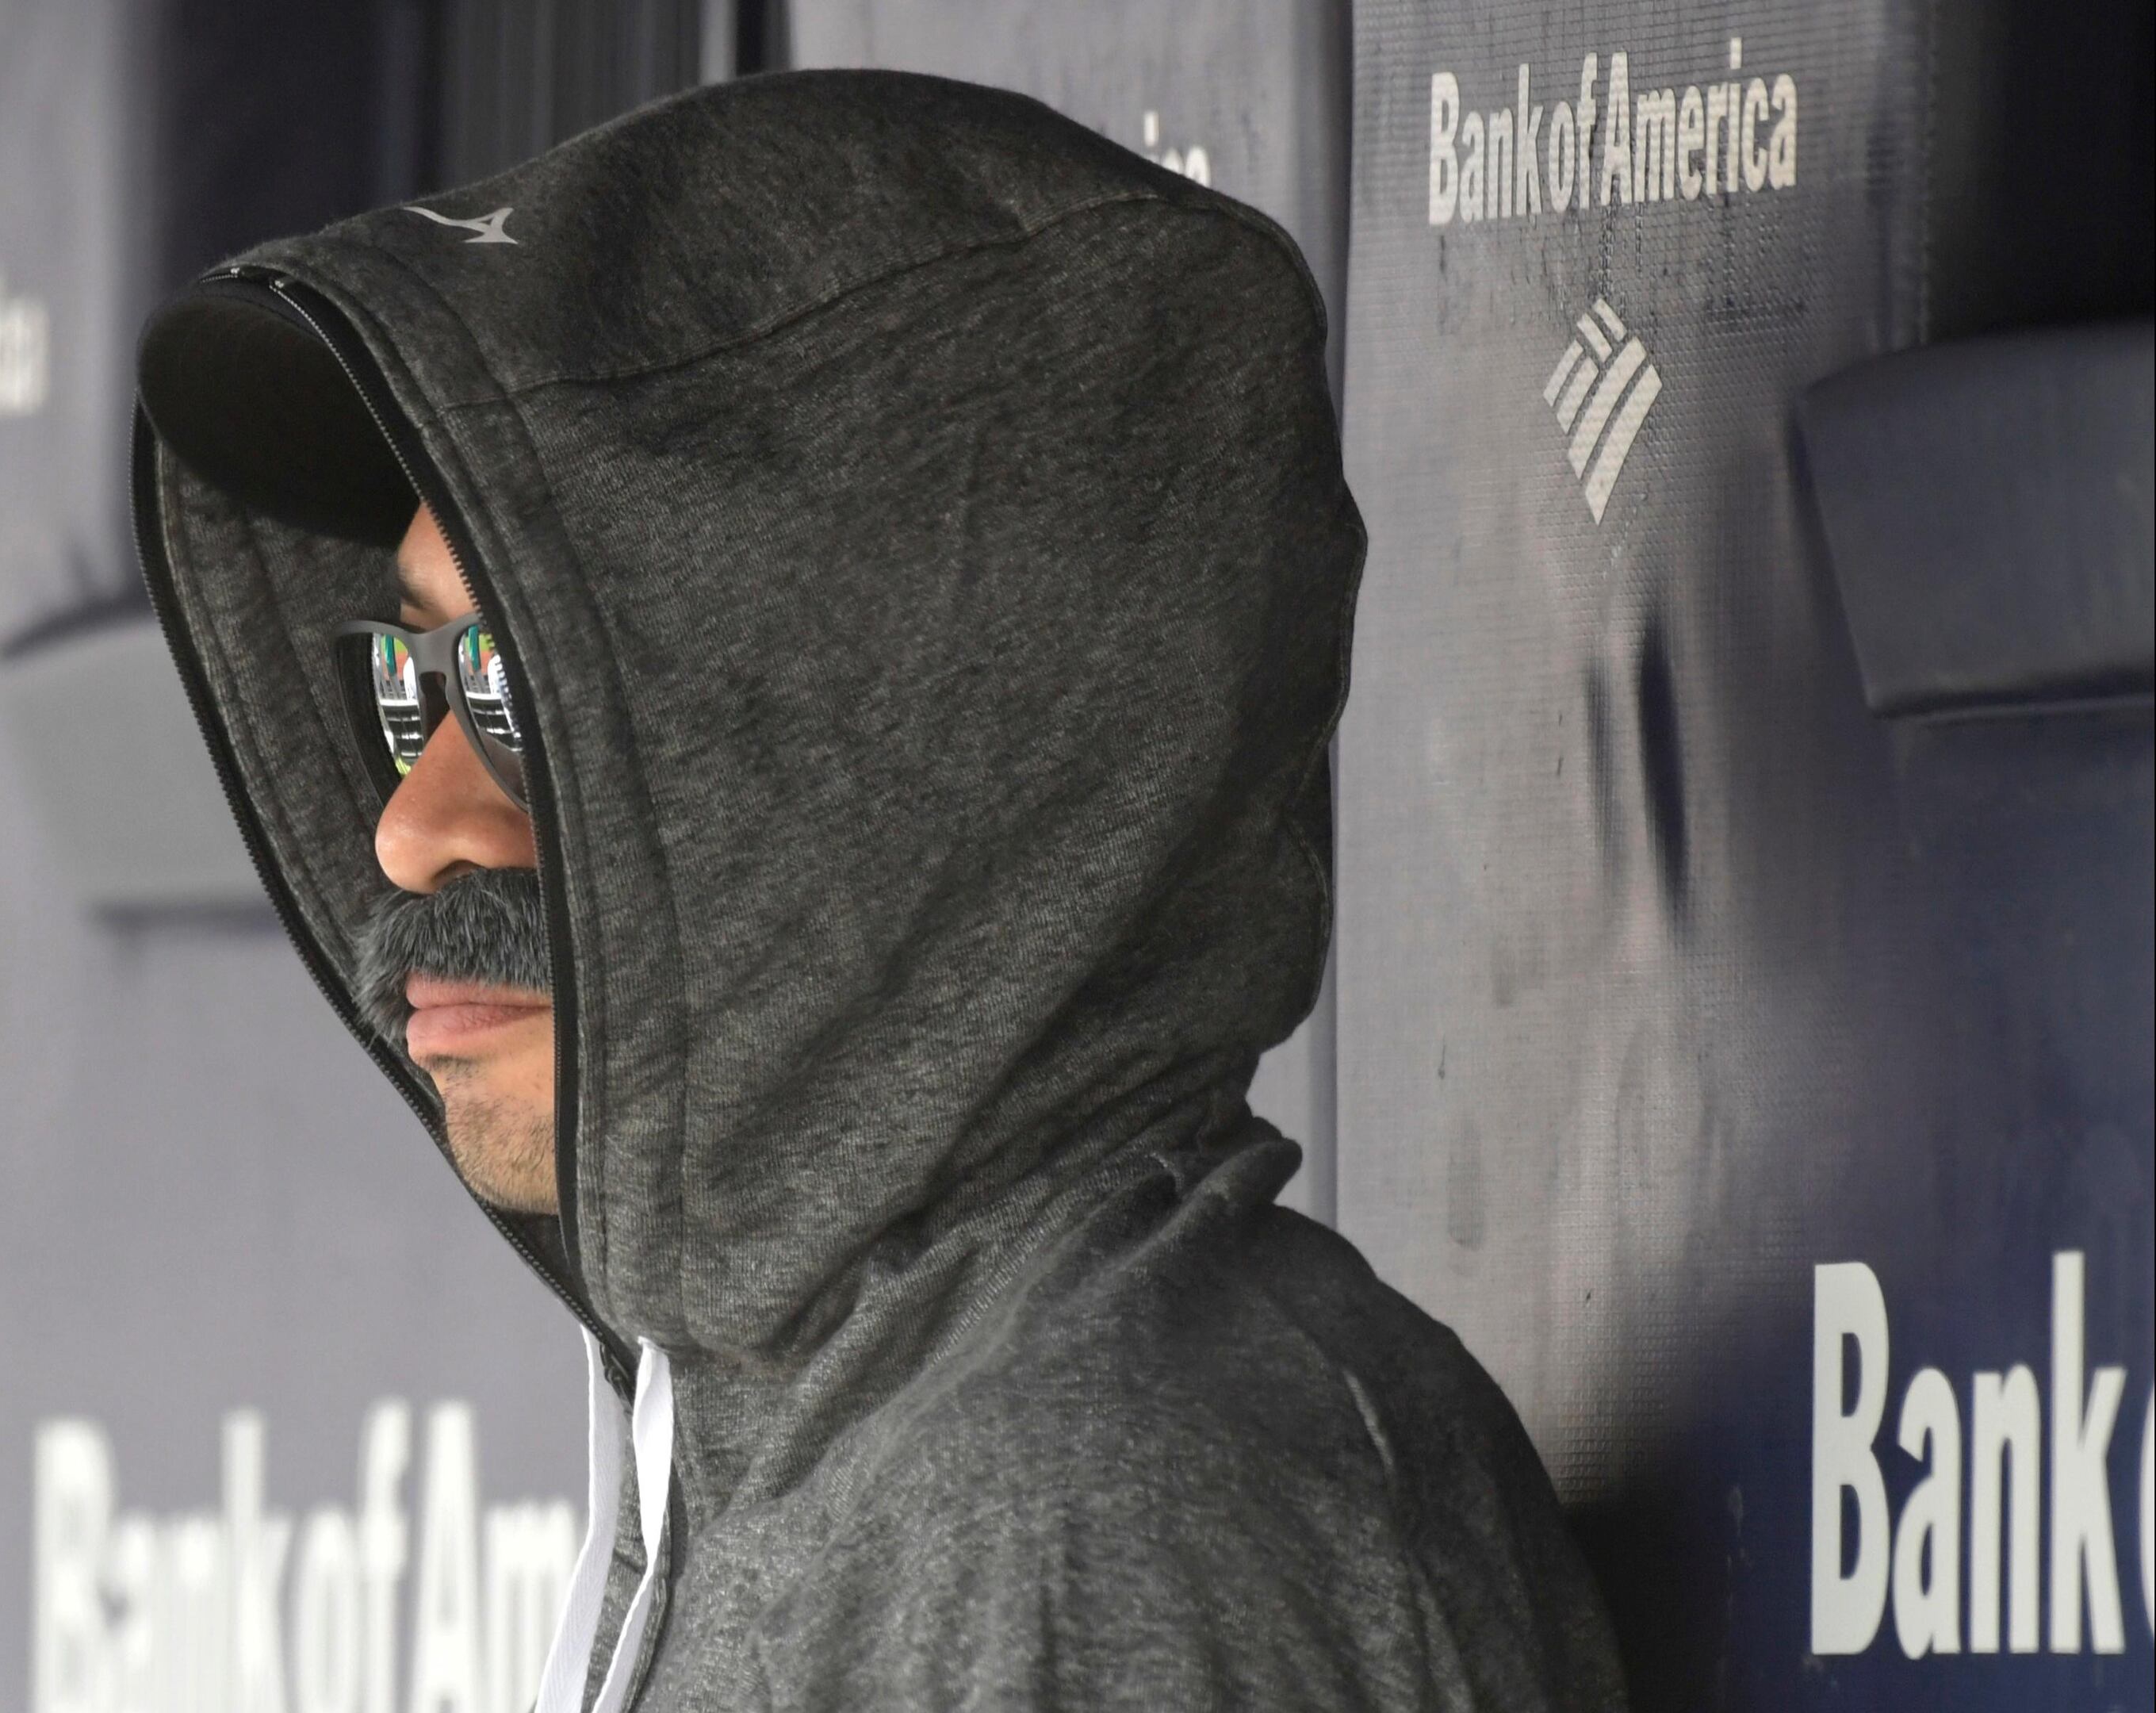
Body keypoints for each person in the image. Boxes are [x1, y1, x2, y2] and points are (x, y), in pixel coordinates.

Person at [134, 69, 1623, 1713]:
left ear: (903, 733)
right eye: (419, 680)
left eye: (523, 687)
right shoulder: (813, 1435)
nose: (411, 834)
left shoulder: (1092, 1506)